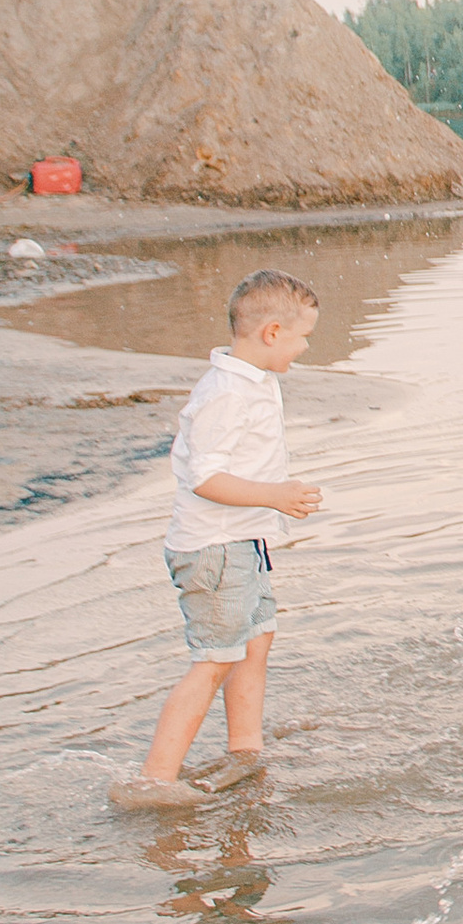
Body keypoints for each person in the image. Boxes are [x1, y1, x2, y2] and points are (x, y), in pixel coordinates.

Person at [115, 269, 321, 811]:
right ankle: (155, 779)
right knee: (214, 659)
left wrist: (268, 509)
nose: (303, 349)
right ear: (272, 333)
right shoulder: (226, 394)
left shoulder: (253, 381)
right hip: (214, 550)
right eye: (302, 338)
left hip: (244, 542)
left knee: (256, 641)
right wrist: (275, 496)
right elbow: (204, 478)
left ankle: (245, 750)